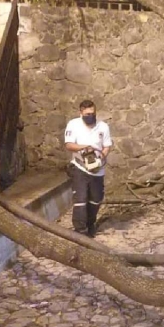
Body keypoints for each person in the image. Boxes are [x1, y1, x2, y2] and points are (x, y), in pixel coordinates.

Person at [64, 100, 113, 237]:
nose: (90, 116)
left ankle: (90, 224)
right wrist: (84, 147)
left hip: (97, 169)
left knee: (96, 198)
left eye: (92, 113)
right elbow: (69, 145)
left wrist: (101, 157)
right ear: (81, 113)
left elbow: (107, 145)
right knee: (80, 198)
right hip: (80, 166)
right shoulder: (73, 125)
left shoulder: (103, 127)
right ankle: (80, 230)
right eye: (87, 114)